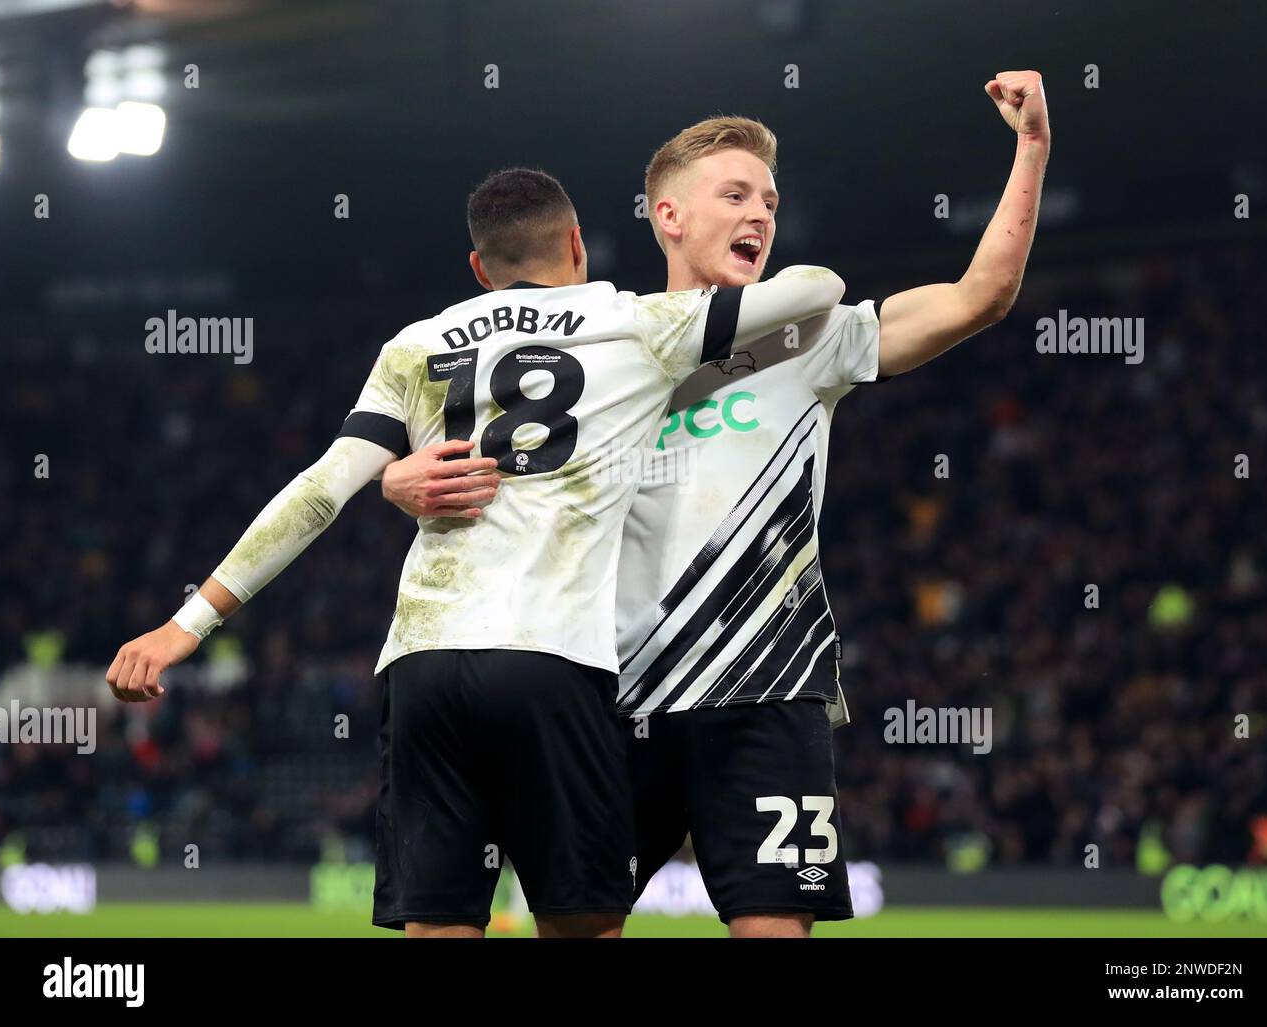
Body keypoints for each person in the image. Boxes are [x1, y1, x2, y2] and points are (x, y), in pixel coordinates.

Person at [384, 69, 1051, 938]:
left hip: (765, 689)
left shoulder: (812, 335)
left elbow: (979, 296)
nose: (760, 215)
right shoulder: (604, 342)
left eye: (769, 199)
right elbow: (500, 471)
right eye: (734, 194)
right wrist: (395, 479)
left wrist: (1031, 147)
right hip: (611, 693)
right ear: (669, 216)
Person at [105, 167, 847, 937]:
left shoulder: (415, 345)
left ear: (478, 267)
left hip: (424, 661)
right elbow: (815, 290)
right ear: (575, 244)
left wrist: (182, 627)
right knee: (584, 919)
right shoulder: (639, 325)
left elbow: (319, 492)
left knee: (439, 922)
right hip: (554, 658)